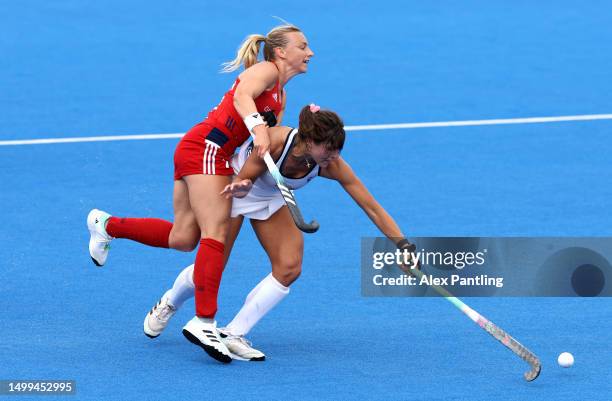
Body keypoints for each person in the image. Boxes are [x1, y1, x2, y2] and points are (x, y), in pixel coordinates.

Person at [86, 24, 314, 363]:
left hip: (199, 150)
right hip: (208, 149)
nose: (309, 53)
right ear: (281, 52)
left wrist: (295, 133)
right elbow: (241, 96)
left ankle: (107, 225)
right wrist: (257, 128)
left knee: (183, 237)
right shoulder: (265, 70)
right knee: (216, 232)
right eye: (303, 46)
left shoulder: (281, 95)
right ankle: (204, 320)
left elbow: (262, 142)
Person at [142, 104, 417, 361]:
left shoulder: (329, 165)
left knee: (289, 266)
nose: (334, 157)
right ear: (309, 142)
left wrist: (403, 245)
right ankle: (170, 301)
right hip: (235, 188)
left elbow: (371, 206)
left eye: (338, 150)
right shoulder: (273, 144)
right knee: (213, 266)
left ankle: (233, 332)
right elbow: (244, 179)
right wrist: (242, 186)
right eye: (329, 150)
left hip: (271, 195)